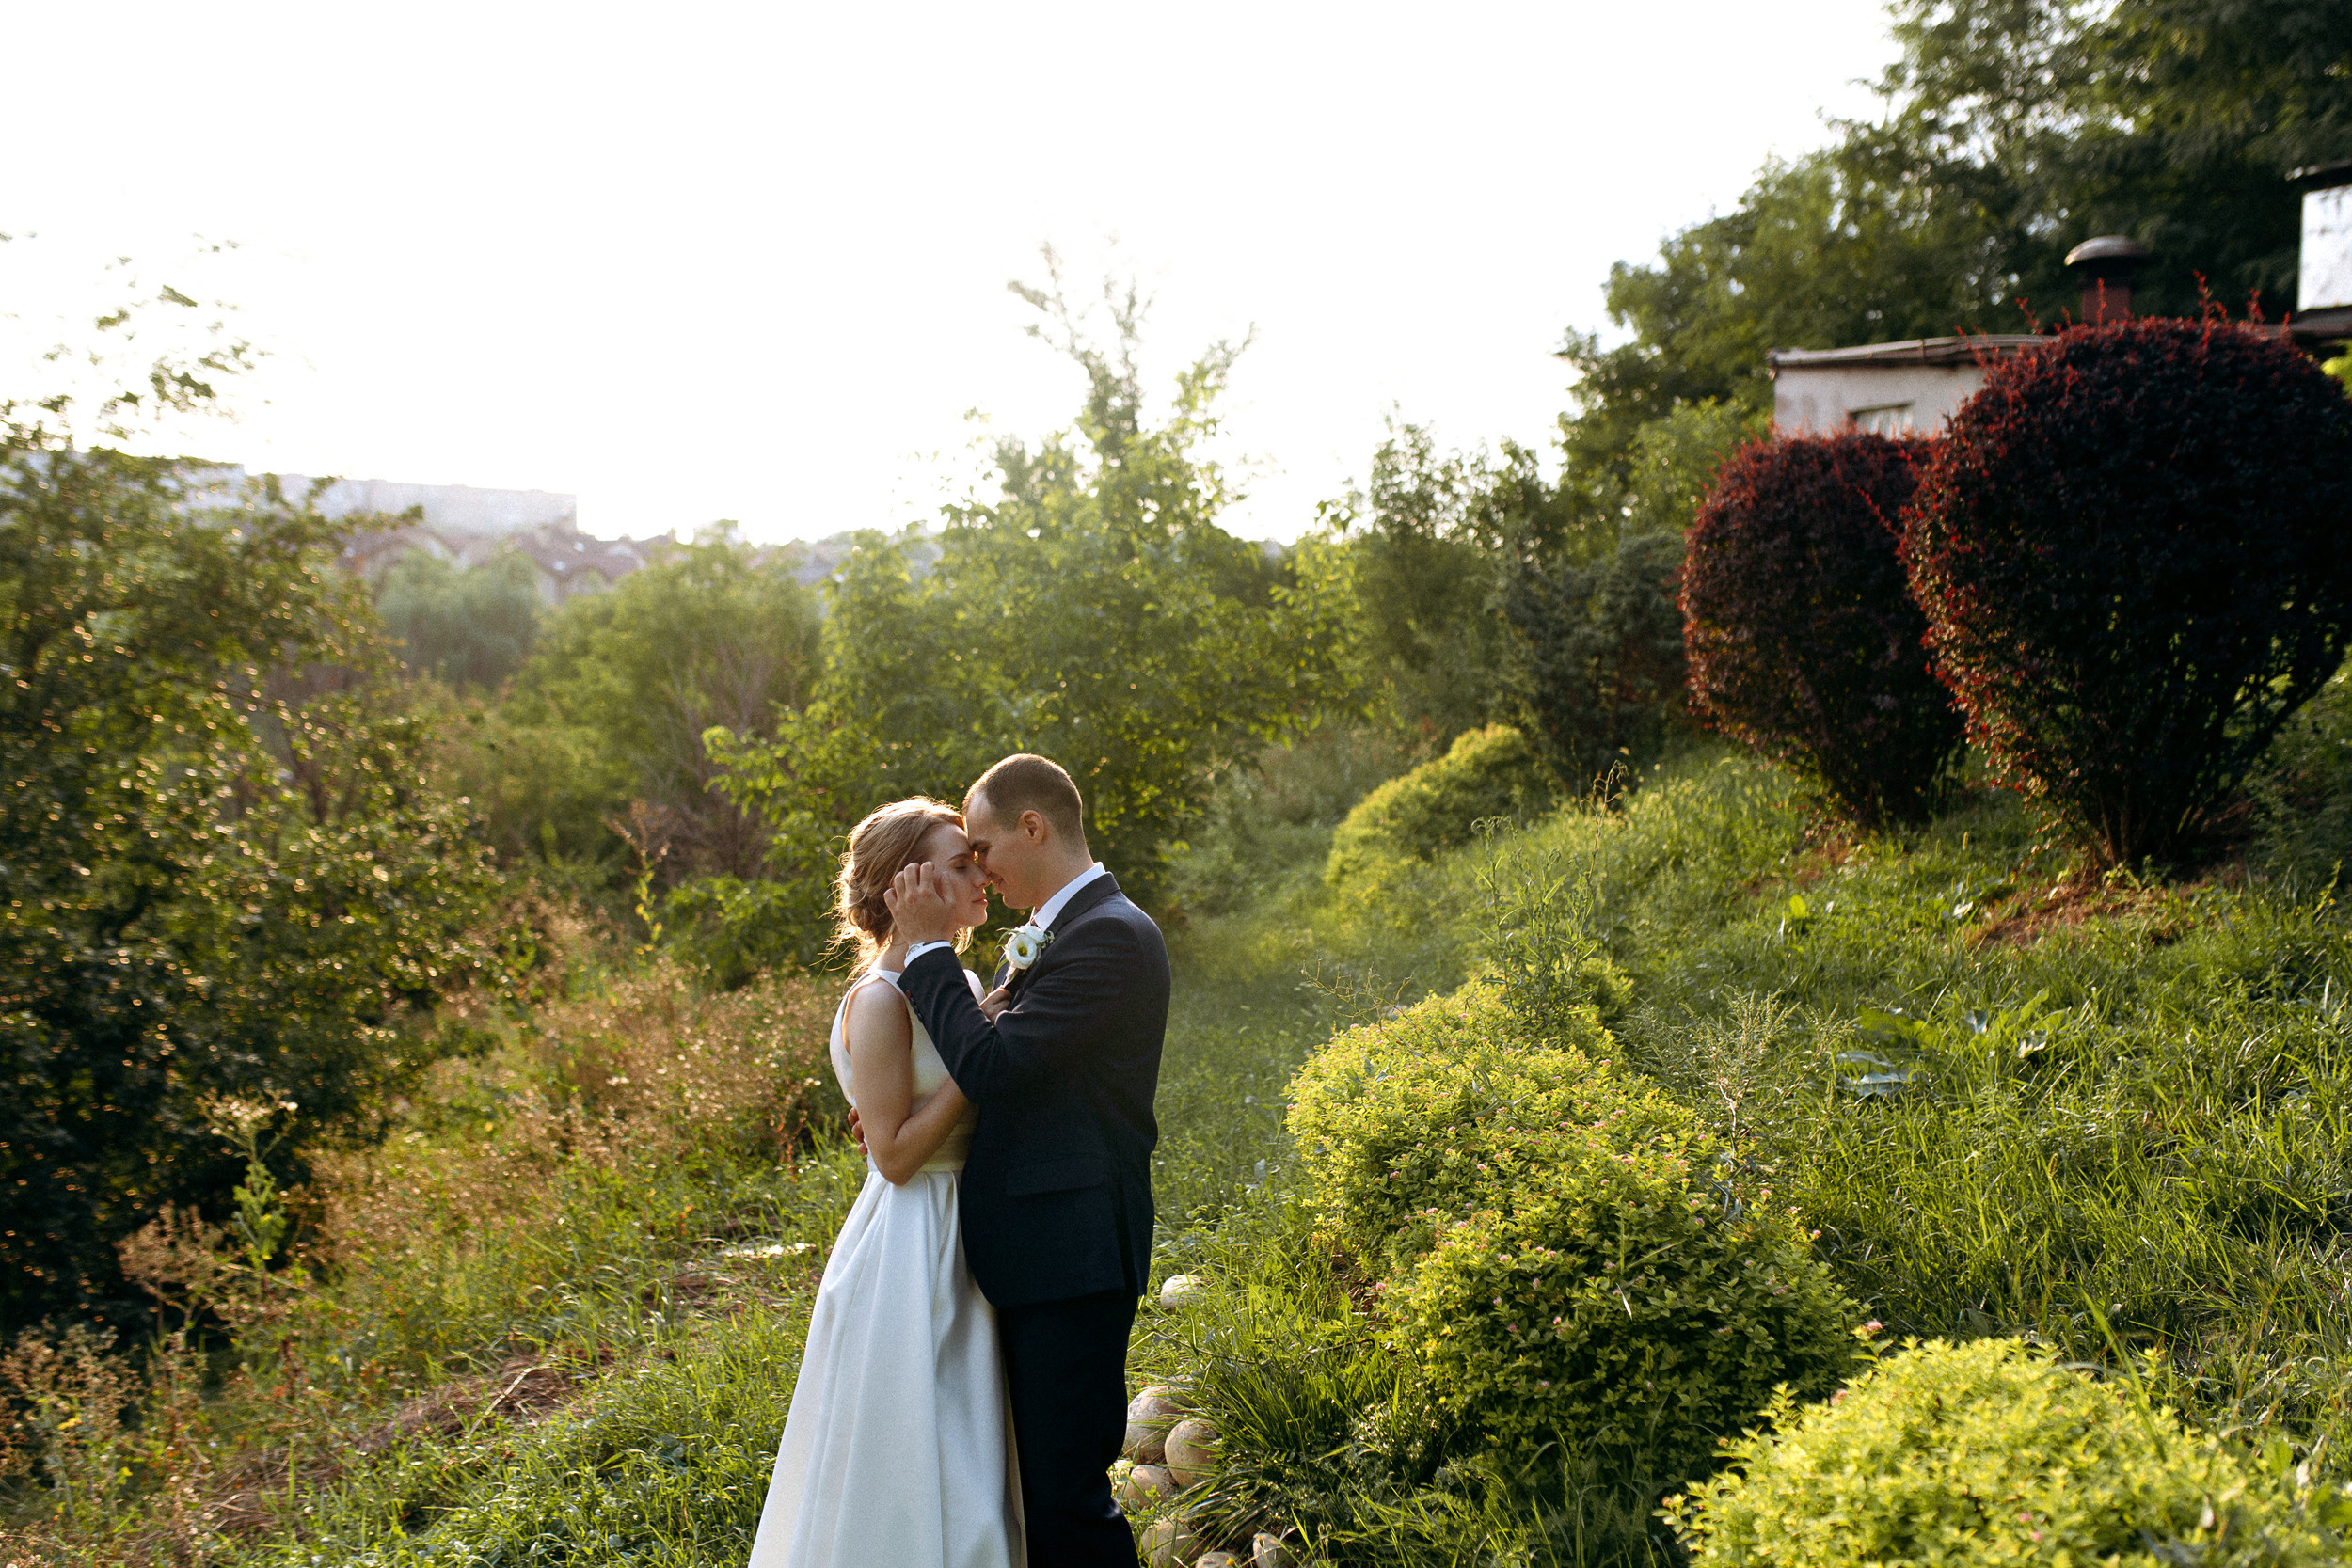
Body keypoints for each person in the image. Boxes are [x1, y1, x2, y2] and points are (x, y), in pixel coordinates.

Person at [885, 752, 1170, 1568]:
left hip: (1072, 1254)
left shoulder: (1109, 936)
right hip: (1042, 1252)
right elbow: (1012, 1069)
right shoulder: (1066, 929)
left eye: (983, 847)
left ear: (1033, 826)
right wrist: (902, 1100)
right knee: (1038, 1495)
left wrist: (928, 950)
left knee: (1067, 1501)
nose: (980, 868)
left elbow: (994, 1068)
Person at [747, 797, 1025, 1568]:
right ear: (906, 885)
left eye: (977, 861)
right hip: (915, 1239)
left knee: (976, 1446)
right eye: (960, 864)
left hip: (972, 1218)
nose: (981, 876)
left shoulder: (960, 978)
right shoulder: (877, 1000)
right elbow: (895, 1156)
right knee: (925, 1450)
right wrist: (982, 1055)